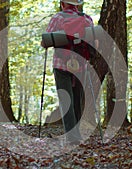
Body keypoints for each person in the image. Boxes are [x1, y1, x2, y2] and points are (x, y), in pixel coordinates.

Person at [42, 0, 94, 145]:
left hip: (61, 63)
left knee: (66, 100)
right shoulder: (87, 19)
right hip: (80, 65)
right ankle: (77, 135)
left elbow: (46, 40)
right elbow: (93, 42)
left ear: (62, 3)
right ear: (77, 5)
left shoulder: (58, 18)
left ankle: (72, 137)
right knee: (77, 99)